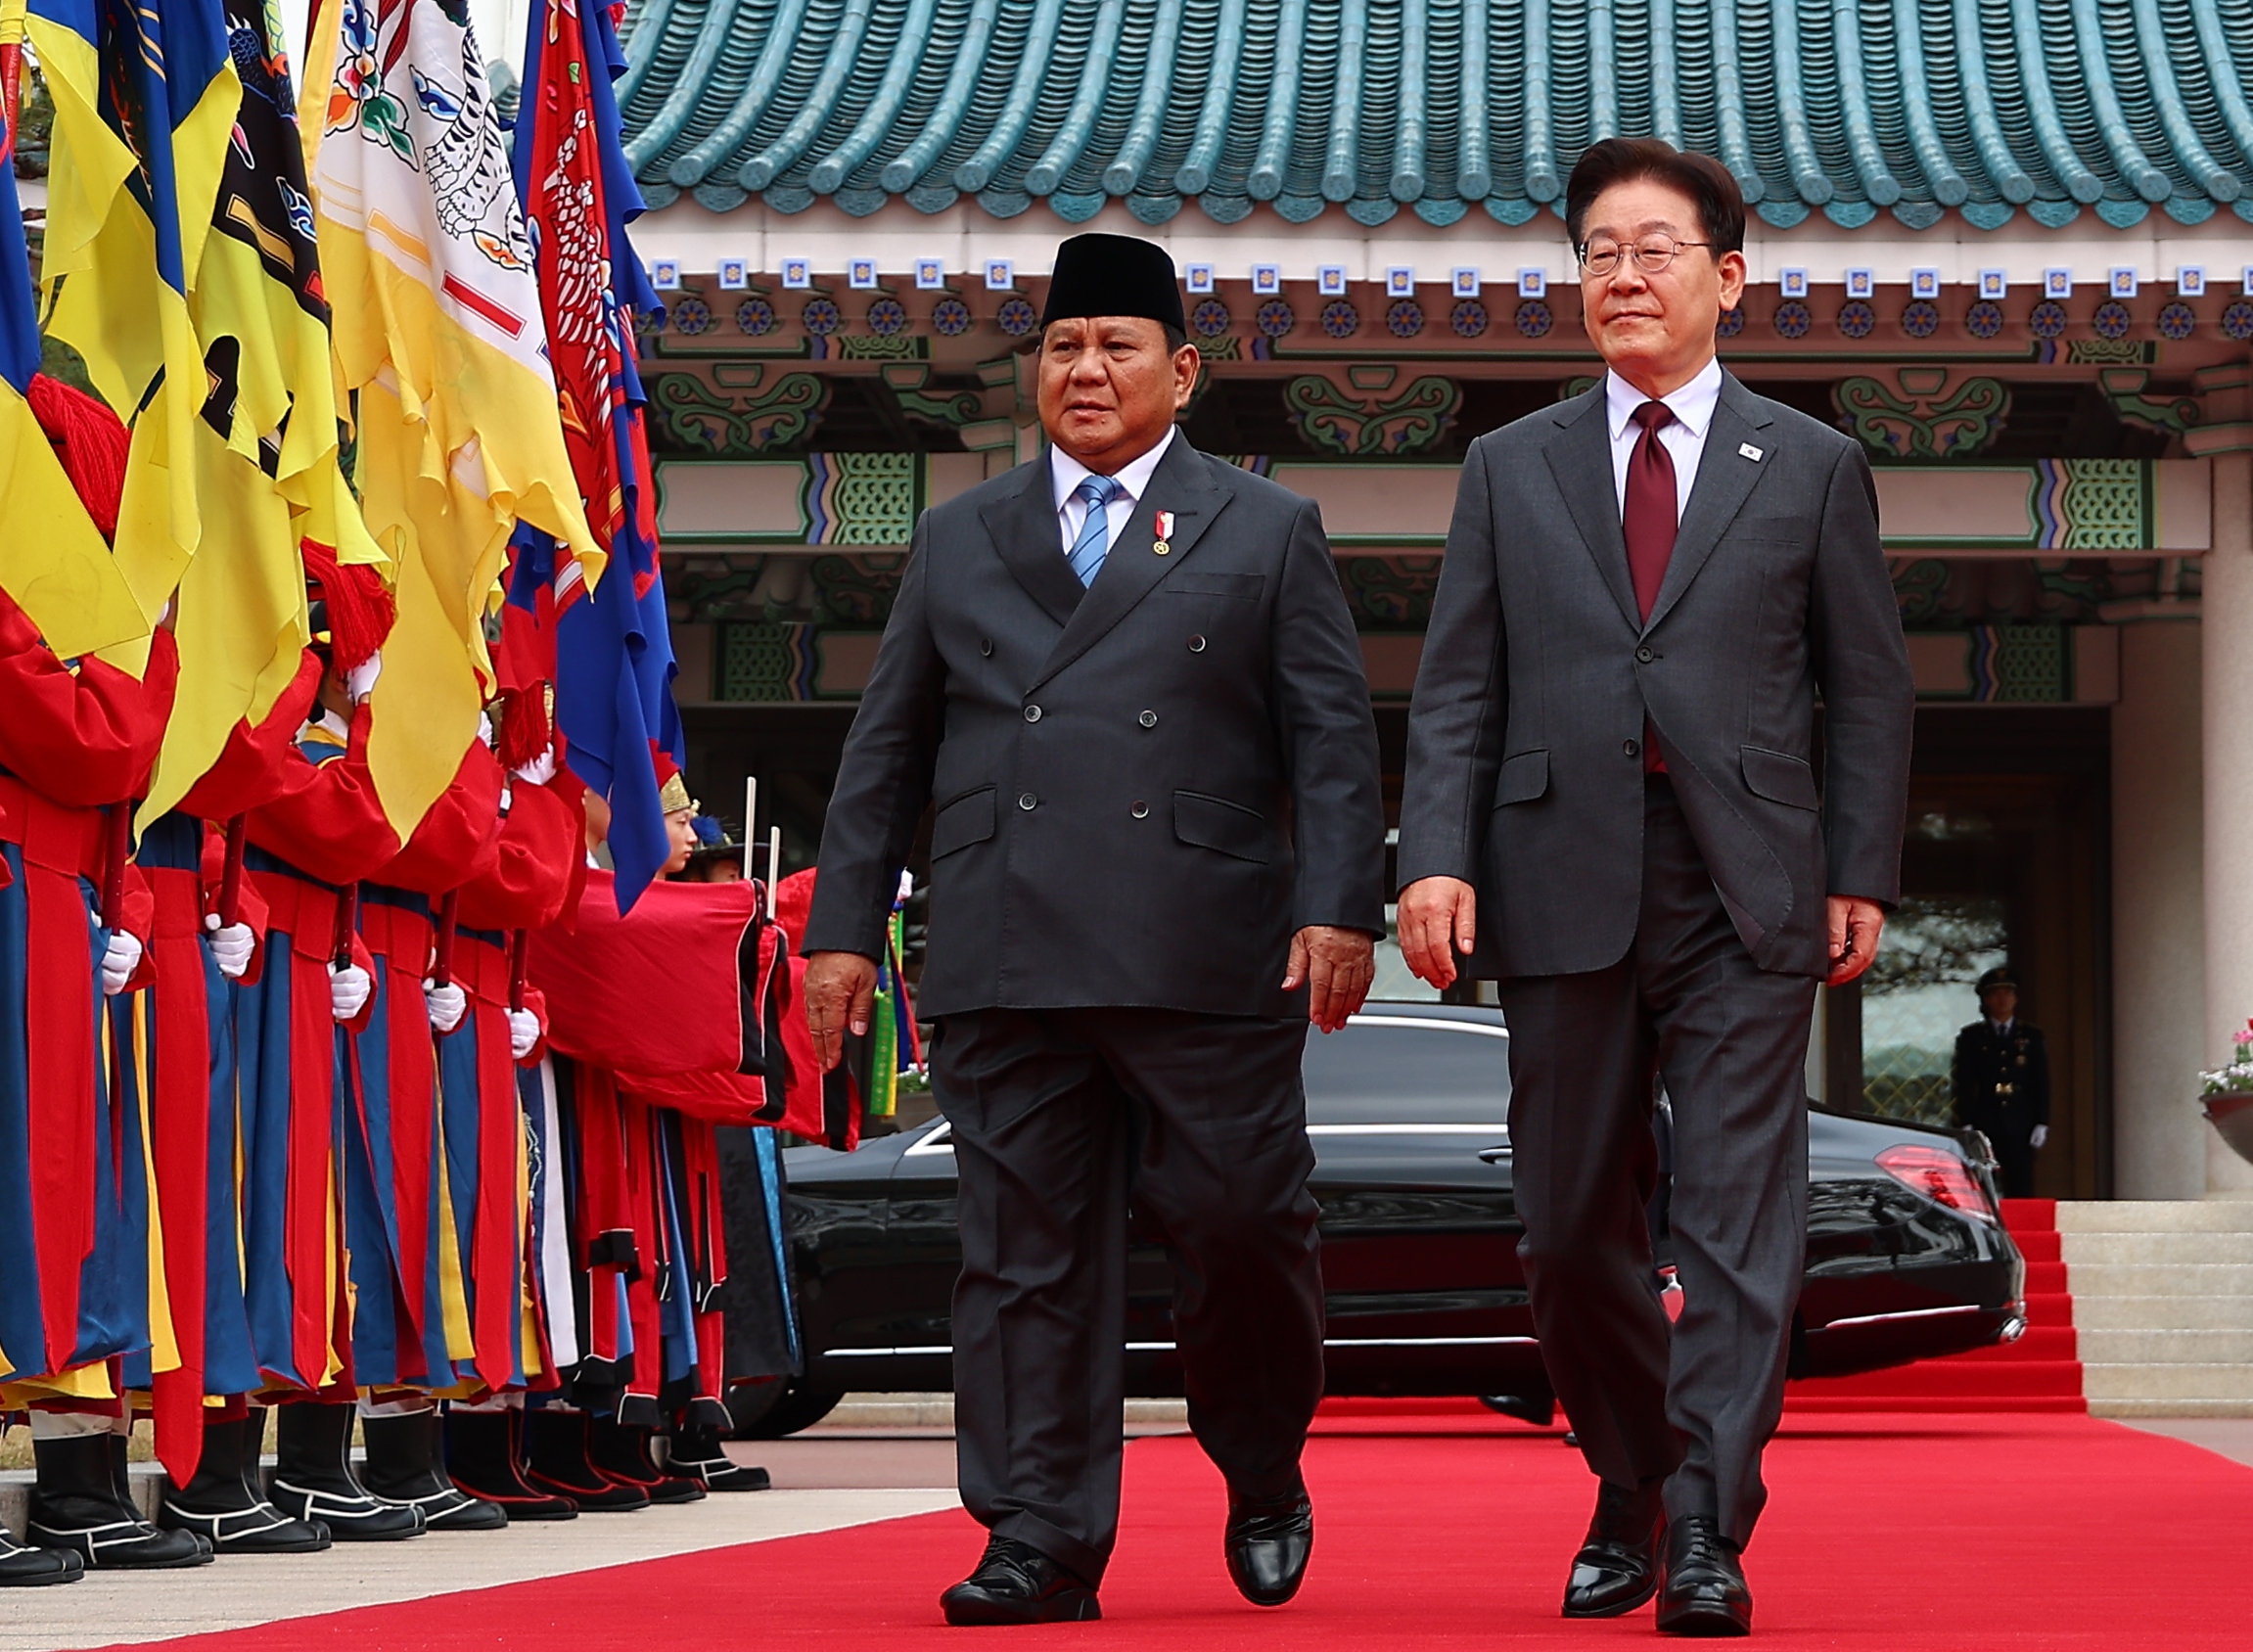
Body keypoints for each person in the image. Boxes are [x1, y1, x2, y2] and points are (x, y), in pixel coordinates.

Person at [803, 231, 1386, 1626]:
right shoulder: (959, 535)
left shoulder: (1264, 528)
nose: (1085, 369)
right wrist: (838, 928)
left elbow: (1330, 740)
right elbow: (886, 748)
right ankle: (1036, 1537)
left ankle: (1259, 1462)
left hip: (1202, 945)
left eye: (1116, 345)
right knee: (1023, 1260)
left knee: (1243, 1225)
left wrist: (1339, 907)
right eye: (1063, 346)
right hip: (1008, 942)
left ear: (1177, 373)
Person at [1395, 138, 1913, 1636]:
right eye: (1598, 254)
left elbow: (1864, 693)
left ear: (1726, 278)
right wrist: (1433, 855)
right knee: (1565, 1230)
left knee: (1738, 1225)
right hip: (1555, 877)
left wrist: (1857, 867)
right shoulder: (1510, 465)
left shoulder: (1809, 465)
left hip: (1745, 883)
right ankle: (1625, 1481)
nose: (1622, 276)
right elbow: (1454, 689)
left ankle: (1702, 1523)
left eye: (1654, 249)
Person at [1953, 968, 2049, 1198]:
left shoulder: (2031, 1036)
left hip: (2021, 1118)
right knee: (1984, 1184)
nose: (2003, 999)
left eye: (2008, 993)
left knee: (2021, 1181)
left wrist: (2042, 1121)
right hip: (1986, 1117)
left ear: (2016, 998)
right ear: (1986, 999)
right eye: (1996, 994)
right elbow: (1963, 1082)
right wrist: (1965, 1121)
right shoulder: (1973, 1037)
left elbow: (2041, 1080)